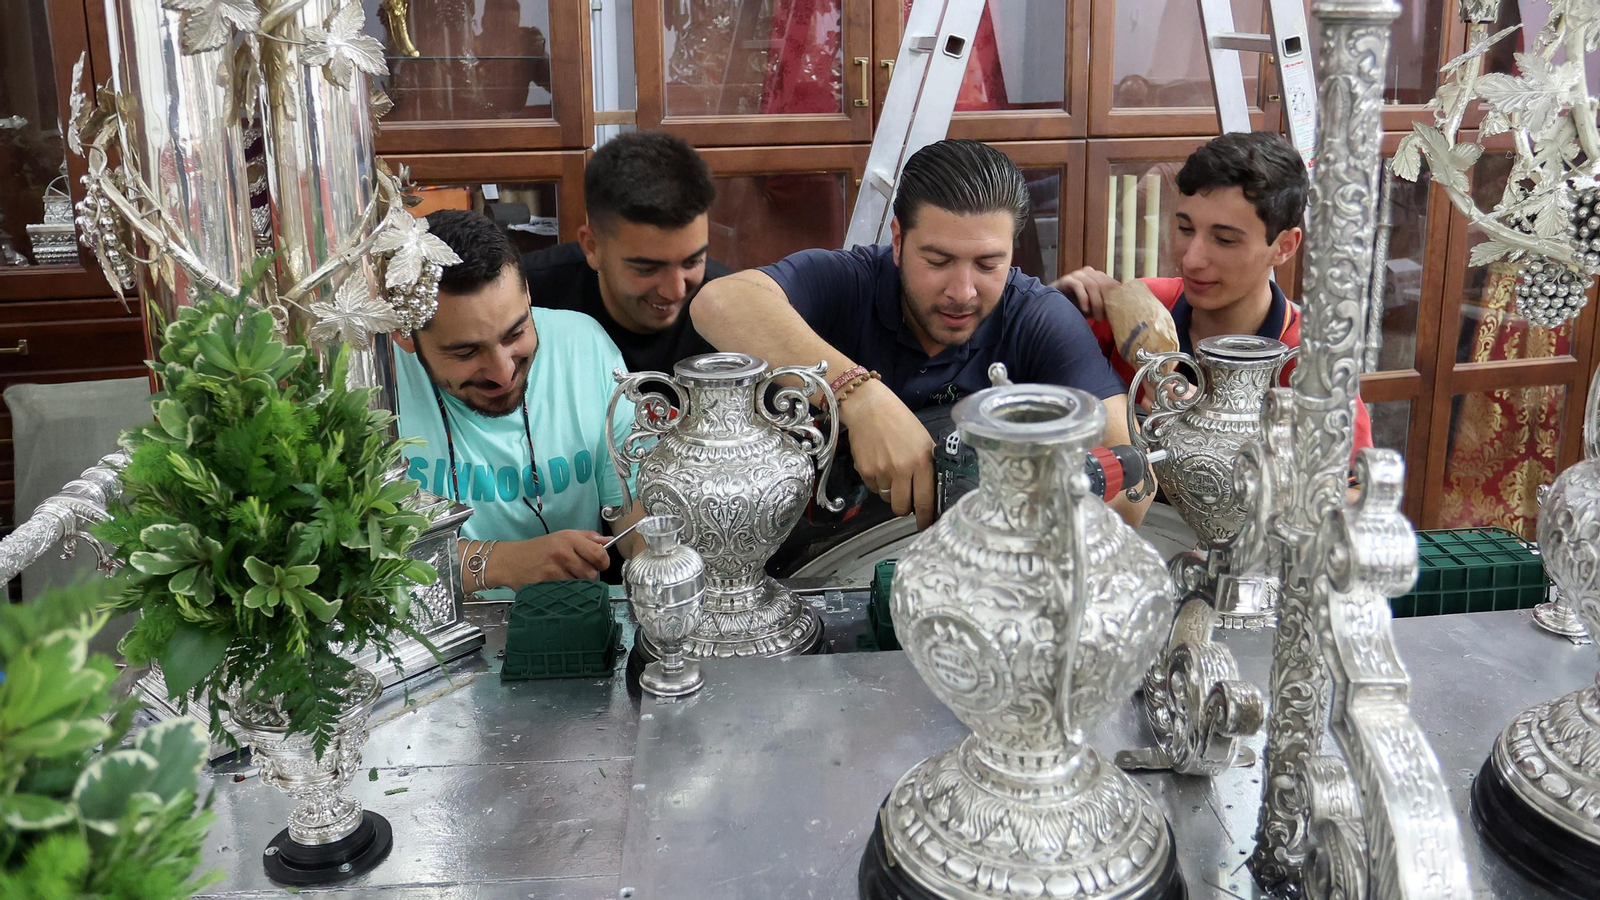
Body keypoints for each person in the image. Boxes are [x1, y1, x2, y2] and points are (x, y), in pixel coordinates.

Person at [690, 139, 1150, 531]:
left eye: (989, 264)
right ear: (897, 239)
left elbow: (1134, 486)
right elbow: (720, 302)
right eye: (937, 261)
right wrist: (863, 400)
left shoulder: (1035, 316)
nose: (962, 291)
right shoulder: (848, 284)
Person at [1054, 130, 1374, 450]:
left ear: (1284, 247)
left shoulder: (1312, 363)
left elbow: (1353, 493)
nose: (1191, 260)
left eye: (1224, 240)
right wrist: (1045, 311)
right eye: (1185, 228)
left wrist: (1223, 440)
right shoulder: (1134, 314)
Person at [393, 210, 643, 593]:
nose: (502, 371)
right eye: (465, 352)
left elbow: (637, 523)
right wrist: (503, 562)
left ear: (528, 296)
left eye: (516, 333)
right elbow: (359, 565)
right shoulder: (371, 383)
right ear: (404, 334)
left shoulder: (584, 347)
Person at [522, 130, 732, 374]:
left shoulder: (732, 316)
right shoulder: (527, 299)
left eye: (692, 262)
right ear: (592, 247)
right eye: (647, 268)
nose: (675, 291)